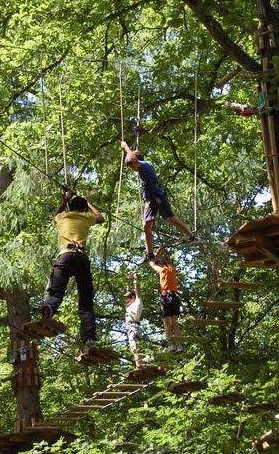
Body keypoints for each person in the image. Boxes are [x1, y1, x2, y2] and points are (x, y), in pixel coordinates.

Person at [41, 188, 105, 353]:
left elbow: (56, 213)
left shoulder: (62, 217)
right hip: (81, 258)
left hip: (65, 256)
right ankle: (89, 339)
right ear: (84, 209)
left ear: (70, 207)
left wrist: (64, 200)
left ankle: (49, 307)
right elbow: (100, 218)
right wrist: (88, 202)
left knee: (56, 293)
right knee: (85, 302)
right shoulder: (86, 217)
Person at [120, 141, 197, 261]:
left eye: (132, 167)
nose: (132, 170)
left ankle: (191, 236)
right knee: (147, 225)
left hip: (158, 195)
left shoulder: (145, 165)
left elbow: (131, 157)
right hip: (152, 198)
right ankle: (149, 253)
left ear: (136, 161)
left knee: (170, 219)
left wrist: (125, 147)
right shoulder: (142, 168)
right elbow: (132, 159)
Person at [148, 246, 183, 353]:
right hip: (175, 297)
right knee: (175, 323)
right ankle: (179, 345)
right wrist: (162, 251)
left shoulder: (162, 270)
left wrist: (155, 254)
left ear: (161, 264)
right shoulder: (172, 270)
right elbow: (169, 261)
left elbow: (152, 263)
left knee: (167, 323)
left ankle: (170, 345)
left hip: (166, 296)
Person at [124, 272, 144, 368]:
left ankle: (139, 365)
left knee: (135, 347)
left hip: (134, 326)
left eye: (127, 298)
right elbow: (128, 291)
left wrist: (135, 279)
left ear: (133, 298)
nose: (126, 301)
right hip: (130, 328)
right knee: (133, 347)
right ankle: (139, 364)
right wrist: (127, 281)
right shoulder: (129, 307)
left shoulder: (137, 303)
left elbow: (137, 290)